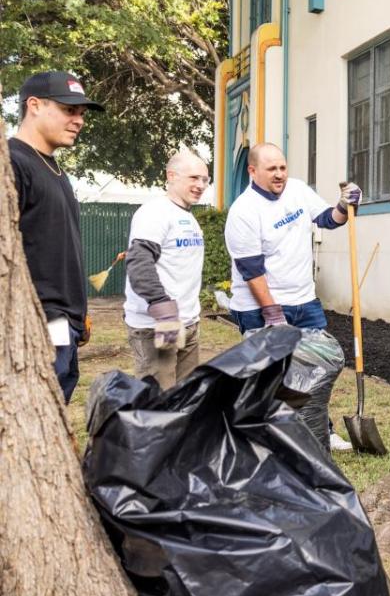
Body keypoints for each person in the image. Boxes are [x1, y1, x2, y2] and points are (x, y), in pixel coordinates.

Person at [224, 142, 360, 450]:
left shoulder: (298, 190)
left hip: (304, 301)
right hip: (259, 308)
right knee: (270, 375)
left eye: (283, 167)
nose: (279, 174)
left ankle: (319, 428)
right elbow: (251, 271)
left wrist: (345, 205)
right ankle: (260, 435)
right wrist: (273, 314)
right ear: (252, 171)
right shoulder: (244, 211)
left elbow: (329, 220)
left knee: (317, 368)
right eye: (271, 169)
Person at [9, 71, 104, 402]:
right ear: (34, 105)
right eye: (68, 110)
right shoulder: (12, 163)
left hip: (66, 326)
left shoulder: (55, 170)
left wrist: (79, 314)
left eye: (81, 113)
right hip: (36, 326)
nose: (78, 120)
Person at [123, 151, 211, 389]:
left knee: (186, 397)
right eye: (194, 178)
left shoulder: (187, 216)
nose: (200, 185)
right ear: (171, 176)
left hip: (187, 324)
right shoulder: (155, 213)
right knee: (160, 401)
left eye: (205, 179)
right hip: (159, 325)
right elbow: (139, 263)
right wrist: (163, 308)